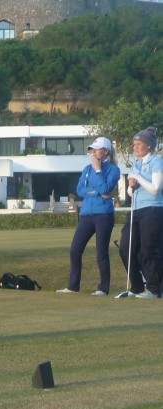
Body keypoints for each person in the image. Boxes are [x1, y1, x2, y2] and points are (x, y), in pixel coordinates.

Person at [56, 137, 120, 296]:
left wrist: (98, 170)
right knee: (75, 250)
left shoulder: (113, 170)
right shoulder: (86, 169)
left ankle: (103, 289)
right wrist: (96, 192)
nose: (93, 151)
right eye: (92, 149)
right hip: (86, 215)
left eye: (96, 149)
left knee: (101, 253)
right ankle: (73, 286)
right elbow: (80, 191)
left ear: (105, 152)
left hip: (104, 215)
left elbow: (106, 188)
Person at [118, 127, 163, 299]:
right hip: (135, 210)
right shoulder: (136, 164)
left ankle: (153, 289)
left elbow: (156, 189)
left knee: (148, 250)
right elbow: (131, 193)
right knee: (125, 248)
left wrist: (139, 178)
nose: (135, 147)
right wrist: (131, 185)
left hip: (152, 210)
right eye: (134, 144)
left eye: (139, 144)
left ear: (149, 146)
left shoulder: (156, 162)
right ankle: (136, 287)